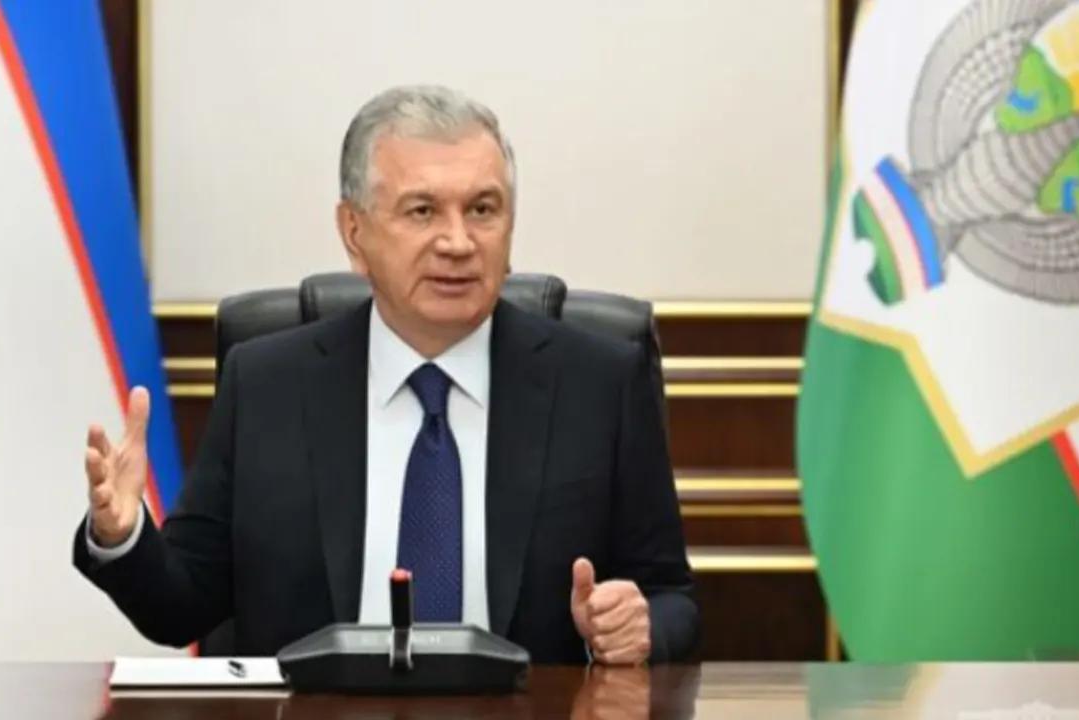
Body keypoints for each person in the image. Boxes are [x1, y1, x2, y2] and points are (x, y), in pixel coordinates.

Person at [75, 85, 698, 664]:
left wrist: (642, 624)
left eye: (482, 209)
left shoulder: (599, 384)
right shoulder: (267, 386)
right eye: (422, 211)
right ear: (354, 233)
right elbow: (181, 607)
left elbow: (675, 600)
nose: (458, 242)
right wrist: (121, 534)